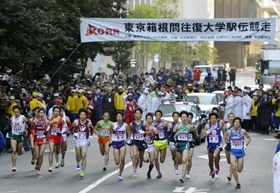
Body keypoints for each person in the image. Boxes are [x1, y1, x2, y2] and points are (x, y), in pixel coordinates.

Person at [223, 117, 251, 189]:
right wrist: (224, 144)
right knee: (233, 166)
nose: (237, 124)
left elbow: (249, 138)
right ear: (233, 123)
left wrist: (245, 144)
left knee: (239, 170)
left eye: (238, 122)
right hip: (232, 152)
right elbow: (224, 137)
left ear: (240, 124)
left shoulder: (243, 131)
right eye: (235, 122)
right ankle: (238, 183)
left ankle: (239, 170)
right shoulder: (229, 131)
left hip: (240, 152)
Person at [72, 108, 93, 178]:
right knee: (78, 156)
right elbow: (71, 129)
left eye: (84, 114)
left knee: (84, 155)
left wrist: (91, 136)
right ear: (79, 115)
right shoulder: (76, 121)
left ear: (86, 115)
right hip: (77, 140)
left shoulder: (88, 122)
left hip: (84, 140)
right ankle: (78, 163)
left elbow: (92, 129)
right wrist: (74, 133)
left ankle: (83, 171)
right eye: (81, 114)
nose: (83, 116)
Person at [203, 112, 224, 181]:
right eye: (211, 118)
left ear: (217, 119)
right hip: (210, 145)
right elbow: (203, 136)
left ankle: (217, 169)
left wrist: (224, 141)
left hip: (218, 145)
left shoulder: (219, 125)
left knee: (215, 156)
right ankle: (212, 171)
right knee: (211, 161)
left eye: (214, 118)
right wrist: (206, 134)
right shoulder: (207, 126)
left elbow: (224, 132)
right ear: (209, 119)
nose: (213, 120)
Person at [171, 111, 190, 183]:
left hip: (185, 144)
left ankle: (182, 176)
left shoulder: (189, 126)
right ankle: (176, 164)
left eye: (185, 117)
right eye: (183, 117)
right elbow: (172, 137)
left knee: (184, 160)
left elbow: (192, 136)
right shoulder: (177, 126)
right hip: (178, 145)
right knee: (179, 161)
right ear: (180, 118)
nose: (184, 118)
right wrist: (175, 143)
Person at [128, 108, 147, 178]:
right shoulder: (131, 124)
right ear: (134, 115)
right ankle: (134, 170)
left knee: (140, 157)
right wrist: (129, 138)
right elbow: (129, 130)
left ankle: (141, 161)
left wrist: (144, 132)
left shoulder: (144, 123)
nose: (137, 115)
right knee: (135, 155)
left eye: (139, 113)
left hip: (142, 141)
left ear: (141, 115)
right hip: (134, 141)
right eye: (136, 113)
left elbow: (148, 131)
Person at [109, 111, 128, 181]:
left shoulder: (125, 125)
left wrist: (128, 140)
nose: (119, 118)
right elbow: (110, 133)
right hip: (115, 143)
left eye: (120, 116)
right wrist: (110, 140)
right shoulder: (113, 125)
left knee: (122, 158)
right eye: (118, 116)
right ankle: (119, 166)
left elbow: (128, 133)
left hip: (122, 142)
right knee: (117, 161)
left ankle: (120, 173)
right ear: (116, 117)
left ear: (122, 117)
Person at [10, 105, 28, 172]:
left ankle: (21, 149)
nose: (16, 113)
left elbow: (27, 124)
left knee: (19, 153)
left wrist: (26, 130)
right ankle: (14, 166)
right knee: (14, 150)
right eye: (15, 112)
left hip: (20, 136)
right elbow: (11, 126)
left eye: (17, 112)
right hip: (14, 135)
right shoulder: (12, 118)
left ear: (19, 111)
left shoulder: (23, 117)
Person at [31, 108, 49, 175]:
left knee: (41, 154)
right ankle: (37, 162)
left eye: (42, 113)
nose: (41, 114)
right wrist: (34, 124)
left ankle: (39, 169)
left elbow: (48, 130)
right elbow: (32, 128)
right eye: (40, 113)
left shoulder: (46, 121)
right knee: (37, 156)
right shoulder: (35, 121)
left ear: (44, 114)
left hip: (43, 139)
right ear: (38, 114)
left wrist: (47, 137)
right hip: (37, 140)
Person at [47, 106, 65, 172]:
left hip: (58, 138)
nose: (56, 112)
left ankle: (57, 160)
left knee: (57, 152)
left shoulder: (61, 120)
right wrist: (47, 129)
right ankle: (50, 166)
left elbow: (64, 128)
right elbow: (48, 126)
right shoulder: (50, 118)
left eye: (58, 111)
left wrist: (61, 132)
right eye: (55, 111)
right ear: (53, 112)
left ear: (59, 112)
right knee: (51, 151)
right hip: (52, 137)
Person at [153, 110, 170, 179]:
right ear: (155, 116)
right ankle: (159, 172)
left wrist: (167, 134)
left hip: (163, 142)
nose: (158, 116)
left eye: (159, 115)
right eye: (156, 115)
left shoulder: (164, 123)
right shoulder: (153, 123)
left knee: (162, 160)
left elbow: (169, 128)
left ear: (161, 116)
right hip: (156, 142)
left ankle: (161, 162)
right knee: (155, 157)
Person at [185, 112, 198, 179]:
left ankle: (188, 172)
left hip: (191, 143)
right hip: (184, 144)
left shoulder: (193, 126)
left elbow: (197, 136)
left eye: (191, 118)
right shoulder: (183, 126)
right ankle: (184, 170)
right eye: (188, 117)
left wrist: (194, 131)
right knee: (185, 159)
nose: (189, 119)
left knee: (189, 158)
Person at [223, 113, 235, 181]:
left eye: (232, 116)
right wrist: (224, 144)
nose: (231, 118)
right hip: (227, 145)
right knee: (228, 161)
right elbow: (224, 135)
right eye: (230, 117)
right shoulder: (226, 125)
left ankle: (230, 175)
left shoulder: (236, 125)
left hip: (234, 146)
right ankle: (231, 167)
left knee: (232, 161)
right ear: (228, 118)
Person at [144, 113, 156, 179]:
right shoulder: (143, 127)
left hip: (151, 146)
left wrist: (152, 134)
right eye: (148, 119)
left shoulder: (154, 128)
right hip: (144, 146)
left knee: (152, 162)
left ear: (152, 120)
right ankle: (142, 159)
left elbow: (156, 138)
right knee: (145, 159)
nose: (149, 120)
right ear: (146, 120)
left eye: (150, 119)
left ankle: (149, 172)